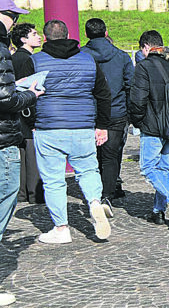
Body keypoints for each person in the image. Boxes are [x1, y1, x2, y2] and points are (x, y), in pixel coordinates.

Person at [32, 19, 113, 244]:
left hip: (49, 127)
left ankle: (61, 228)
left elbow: (26, 95)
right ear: (68, 35)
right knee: (88, 170)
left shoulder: (35, 61)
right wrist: (102, 125)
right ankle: (95, 202)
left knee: (54, 181)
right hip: (83, 125)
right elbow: (104, 95)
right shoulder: (88, 59)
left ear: (45, 38)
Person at [0, 0, 43, 306]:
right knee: (4, 199)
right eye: (12, 15)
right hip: (3, 138)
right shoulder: (4, 50)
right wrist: (29, 95)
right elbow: (4, 98)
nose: (14, 21)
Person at [128, 32, 169, 229]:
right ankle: (158, 211)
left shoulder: (144, 67)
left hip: (153, 126)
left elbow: (137, 100)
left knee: (148, 168)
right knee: (163, 169)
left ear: (146, 47)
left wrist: (138, 122)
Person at [83, 18, 134, 207]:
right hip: (116, 112)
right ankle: (108, 193)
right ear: (106, 33)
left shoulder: (81, 56)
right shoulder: (121, 56)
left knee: (92, 155)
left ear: (87, 34)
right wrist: (130, 113)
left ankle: (95, 191)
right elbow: (130, 86)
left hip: (89, 113)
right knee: (112, 155)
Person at [10, 21, 43, 204]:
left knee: (21, 157)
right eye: (34, 34)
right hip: (26, 114)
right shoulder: (26, 60)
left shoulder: (14, 58)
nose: (38, 36)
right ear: (24, 39)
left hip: (15, 114)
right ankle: (35, 194)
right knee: (32, 156)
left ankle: (21, 194)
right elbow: (27, 90)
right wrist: (33, 121)